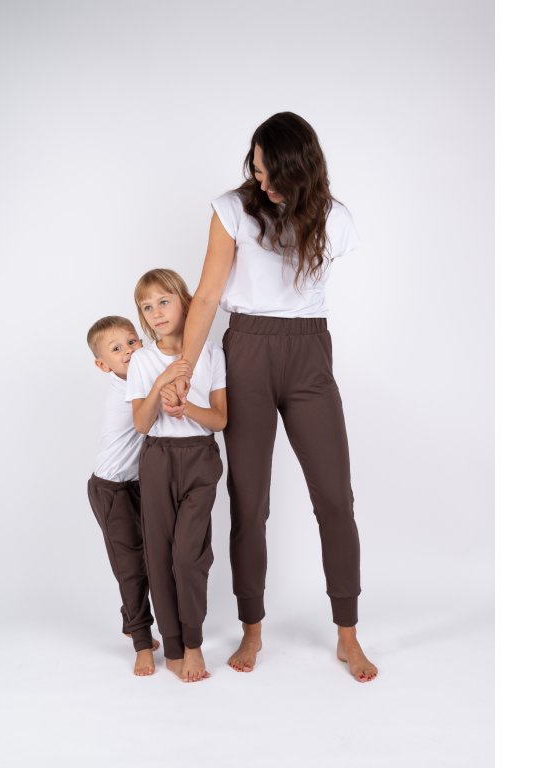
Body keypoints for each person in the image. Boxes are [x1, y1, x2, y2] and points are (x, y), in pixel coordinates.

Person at [167, 112, 379, 682]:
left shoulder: (335, 218)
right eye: (254, 169)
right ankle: (252, 628)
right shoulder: (232, 210)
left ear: (297, 168)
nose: (258, 180)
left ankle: (348, 635)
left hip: (309, 354)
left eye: (267, 171)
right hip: (248, 351)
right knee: (249, 501)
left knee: (335, 498)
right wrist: (185, 367)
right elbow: (207, 294)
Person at [125, 269, 227, 683]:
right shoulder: (143, 360)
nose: (156, 312)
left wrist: (187, 409)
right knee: (159, 554)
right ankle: (172, 644)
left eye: (164, 301)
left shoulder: (211, 353)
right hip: (157, 459)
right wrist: (161, 384)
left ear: (186, 302)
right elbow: (141, 423)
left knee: (188, 556)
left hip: (200, 457)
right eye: (147, 307)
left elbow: (220, 419)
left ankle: (193, 642)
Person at [84, 315, 159, 676]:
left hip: (137, 485)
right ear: (103, 365)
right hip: (111, 488)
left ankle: (132, 621)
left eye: (132, 341)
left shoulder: (141, 378)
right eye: (116, 349)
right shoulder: (125, 392)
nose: (128, 351)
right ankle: (142, 643)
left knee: (148, 559)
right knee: (131, 568)